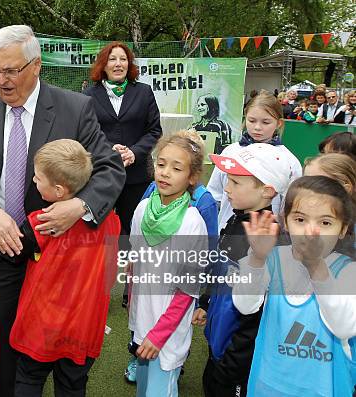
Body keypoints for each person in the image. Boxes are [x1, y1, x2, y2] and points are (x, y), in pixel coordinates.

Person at [0, 25, 125, 397]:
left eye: (11, 70)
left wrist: (77, 207)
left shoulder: (74, 108)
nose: (1, 80)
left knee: (54, 350)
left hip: (55, 256)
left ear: (36, 66)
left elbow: (111, 168)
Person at [10, 139, 121, 397]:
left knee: (28, 378)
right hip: (83, 325)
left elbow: (17, 252)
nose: (34, 182)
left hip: (43, 322)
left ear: (59, 190)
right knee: (72, 385)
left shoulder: (43, 221)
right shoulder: (111, 222)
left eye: (38, 178)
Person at [233, 176, 356, 396]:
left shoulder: (348, 271)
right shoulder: (272, 259)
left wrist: (317, 267)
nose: (310, 231)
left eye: (325, 222)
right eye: (300, 219)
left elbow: (344, 327)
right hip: (269, 385)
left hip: (324, 389)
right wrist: (257, 260)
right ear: (286, 221)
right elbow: (245, 306)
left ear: (343, 229)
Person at [200, 143, 293, 397]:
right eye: (228, 180)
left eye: (236, 183)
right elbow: (219, 270)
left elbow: (259, 312)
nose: (226, 188)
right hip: (219, 340)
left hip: (237, 356)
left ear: (267, 191)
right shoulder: (237, 219)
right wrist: (206, 303)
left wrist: (235, 360)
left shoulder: (268, 239)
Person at [129, 133, 207, 397]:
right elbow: (135, 265)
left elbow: (187, 289)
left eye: (177, 168)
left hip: (167, 335)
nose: (165, 173)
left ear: (192, 177)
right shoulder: (141, 210)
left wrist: (159, 334)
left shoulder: (193, 222)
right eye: (161, 164)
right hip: (142, 325)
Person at [84, 41, 162, 252]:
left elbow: (155, 131)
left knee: (134, 229)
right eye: (112, 59)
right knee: (100, 229)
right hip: (102, 173)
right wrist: (110, 150)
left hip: (137, 176)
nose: (118, 64)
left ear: (129, 64)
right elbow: (86, 133)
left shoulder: (144, 92)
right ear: (103, 64)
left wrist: (133, 152)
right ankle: (102, 273)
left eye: (123, 59)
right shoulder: (89, 95)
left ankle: (131, 273)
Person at [207, 90, 302, 230]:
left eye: (266, 122)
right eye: (251, 120)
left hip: (266, 234)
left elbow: (291, 204)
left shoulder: (289, 161)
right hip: (226, 229)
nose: (257, 127)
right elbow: (215, 193)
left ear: (279, 123)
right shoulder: (230, 152)